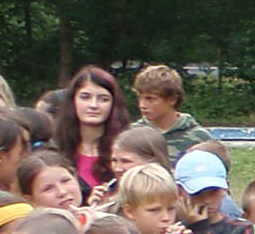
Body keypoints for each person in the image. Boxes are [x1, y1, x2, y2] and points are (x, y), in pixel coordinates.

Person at [46, 67, 128, 200]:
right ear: (73, 100)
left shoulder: (127, 149)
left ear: (114, 104)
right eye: (85, 97)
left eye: (103, 99)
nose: (93, 105)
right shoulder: (53, 149)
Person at [130, 65, 214, 158]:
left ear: (172, 99)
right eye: (139, 98)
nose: (142, 105)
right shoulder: (130, 135)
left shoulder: (199, 138)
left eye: (150, 99)